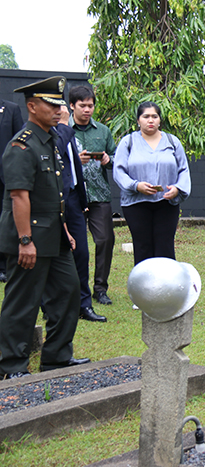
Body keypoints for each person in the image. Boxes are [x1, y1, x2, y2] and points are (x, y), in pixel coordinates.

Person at [0, 76, 91, 379]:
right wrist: (25, 240)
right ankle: (12, 366)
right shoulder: (21, 146)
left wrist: (64, 228)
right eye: (51, 104)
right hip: (30, 237)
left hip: (55, 234)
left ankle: (57, 357)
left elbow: (56, 192)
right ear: (31, 106)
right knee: (23, 302)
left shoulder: (50, 141)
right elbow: (19, 196)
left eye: (59, 104)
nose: (58, 109)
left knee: (68, 291)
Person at [114, 101, 191, 265]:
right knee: (143, 247)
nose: (150, 120)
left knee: (165, 247)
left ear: (160, 120)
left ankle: (167, 289)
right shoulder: (128, 142)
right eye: (146, 116)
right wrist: (135, 186)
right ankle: (143, 289)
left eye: (154, 116)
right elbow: (118, 171)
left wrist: (178, 188)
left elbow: (183, 169)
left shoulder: (172, 141)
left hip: (166, 204)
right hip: (136, 204)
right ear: (138, 120)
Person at [55, 106, 106, 322]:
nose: (60, 111)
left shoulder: (66, 131)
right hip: (54, 199)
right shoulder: (53, 132)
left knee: (82, 254)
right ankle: (55, 306)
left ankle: (84, 305)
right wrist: (63, 126)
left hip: (74, 196)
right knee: (56, 256)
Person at [68, 85, 116, 307]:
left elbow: (116, 157)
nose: (87, 110)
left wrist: (108, 160)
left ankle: (100, 288)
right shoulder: (62, 130)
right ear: (72, 106)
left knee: (105, 240)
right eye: (82, 106)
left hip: (99, 195)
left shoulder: (103, 131)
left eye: (91, 105)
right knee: (74, 244)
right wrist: (75, 160)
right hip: (73, 195)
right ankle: (76, 288)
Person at [0, 97, 24, 283]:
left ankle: (2, 265)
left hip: (5, 176)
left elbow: (19, 143)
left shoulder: (11, 109)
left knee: (5, 220)